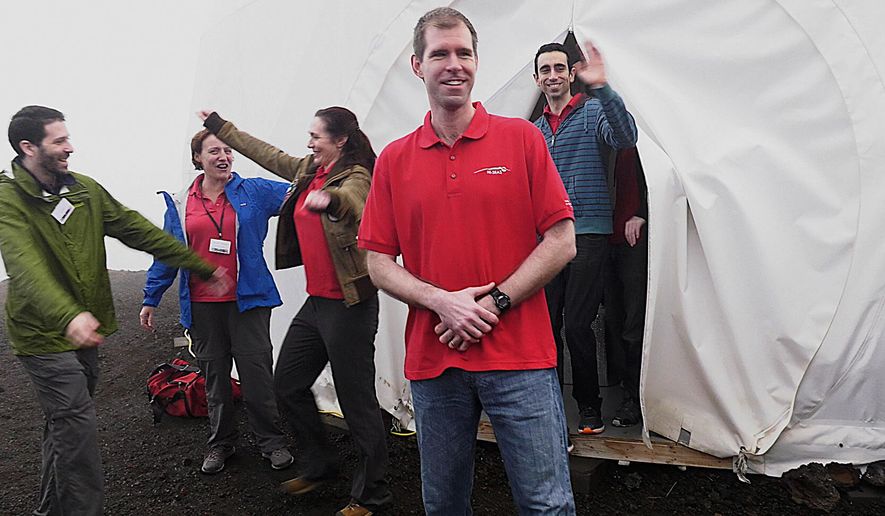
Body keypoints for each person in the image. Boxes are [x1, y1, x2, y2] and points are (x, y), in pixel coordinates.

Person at [359, 8, 577, 515]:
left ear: (477, 62)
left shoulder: (522, 139)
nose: (453, 64)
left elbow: (562, 240)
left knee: (546, 505)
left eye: (463, 53)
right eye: (440, 54)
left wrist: (493, 303)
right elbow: (377, 260)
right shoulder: (394, 158)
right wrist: (442, 302)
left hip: (520, 358)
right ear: (418, 65)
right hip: (436, 362)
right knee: (444, 504)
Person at [0, 105, 229, 515]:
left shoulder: (83, 190)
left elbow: (134, 228)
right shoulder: (7, 198)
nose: (71, 147)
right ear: (28, 146)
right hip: (42, 334)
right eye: (60, 140)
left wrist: (199, 265)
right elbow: (24, 265)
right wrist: (67, 315)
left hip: (84, 329)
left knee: (64, 425)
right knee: (76, 423)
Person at [198, 106, 390, 516]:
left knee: (357, 402)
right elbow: (267, 154)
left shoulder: (355, 175)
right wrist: (219, 127)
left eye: (316, 136)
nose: (309, 142)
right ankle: (321, 465)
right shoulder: (309, 170)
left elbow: (355, 201)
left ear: (339, 140)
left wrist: (330, 201)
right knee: (287, 384)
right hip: (318, 302)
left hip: (350, 304)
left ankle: (372, 493)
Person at [140, 129, 294, 475]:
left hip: (249, 301)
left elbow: (299, 195)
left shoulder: (252, 191)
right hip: (202, 305)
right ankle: (221, 443)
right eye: (214, 152)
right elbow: (168, 254)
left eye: (227, 150)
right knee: (215, 378)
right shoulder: (181, 203)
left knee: (256, 375)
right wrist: (151, 298)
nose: (223, 157)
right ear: (198, 158)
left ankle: (271, 441)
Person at [533, 41, 638, 434]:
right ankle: (548, 409)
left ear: (571, 73)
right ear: (537, 79)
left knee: (577, 325)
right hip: (547, 240)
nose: (553, 75)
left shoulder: (593, 110)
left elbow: (626, 138)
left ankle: (589, 409)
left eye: (560, 67)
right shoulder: (535, 131)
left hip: (589, 234)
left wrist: (604, 88)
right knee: (546, 325)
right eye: (546, 69)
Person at [603, 146, 647, 428]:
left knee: (634, 321)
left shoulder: (643, 138)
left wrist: (642, 213)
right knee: (612, 319)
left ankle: (635, 398)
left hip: (634, 238)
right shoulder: (598, 134)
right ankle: (621, 389)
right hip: (603, 235)